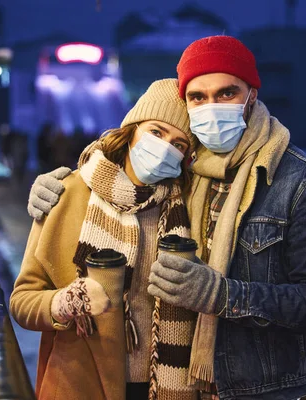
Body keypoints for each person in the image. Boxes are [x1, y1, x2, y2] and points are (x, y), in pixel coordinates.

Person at [27, 36, 306, 400]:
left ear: (252, 96)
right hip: (194, 389)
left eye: (227, 93)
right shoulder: (185, 176)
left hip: (272, 390)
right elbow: (118, 173)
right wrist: (57, 185)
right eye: (198, 97)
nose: (212, 108)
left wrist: (222, 294)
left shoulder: (305, 184)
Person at [10, 79, 203, 400]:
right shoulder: (67, 193)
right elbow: (22, 301)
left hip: (166, 386)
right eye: (156, 132)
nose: (166, 147)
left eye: (179, 144)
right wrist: (63, 303)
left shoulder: (188, 206)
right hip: (80, 382)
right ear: (131, 131)